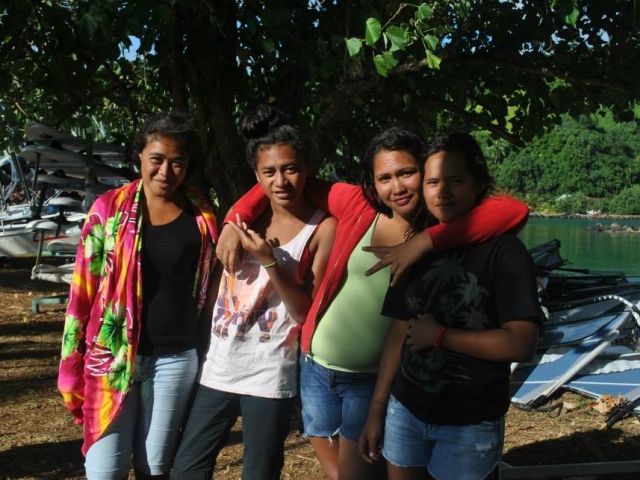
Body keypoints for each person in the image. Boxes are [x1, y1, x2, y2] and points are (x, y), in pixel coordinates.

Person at [217, 126, 530, 480]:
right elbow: (283, 182)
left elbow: (515, 210)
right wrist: (233, 219)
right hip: (315, 366)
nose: (397, 187)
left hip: (371, 380)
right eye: (384, 178)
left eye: (407, 173)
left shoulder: (444, 221)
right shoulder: (358, 205)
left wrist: (425, 240)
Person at [358, 132, 541, 480]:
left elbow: (521, 343)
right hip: (405, 411)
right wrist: (377, 410)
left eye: (455, 180)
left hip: (469, 423)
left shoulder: (505, 252)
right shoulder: (415, 247)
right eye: (432, 182)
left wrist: (440, 336)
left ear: (478, 184)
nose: (442, 191)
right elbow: (399, 330)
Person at [170, 105, 337, 480]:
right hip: (219, 365)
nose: (281, 181)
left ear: (307, 168)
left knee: (260, 472)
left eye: (290, 169)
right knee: (187, 468)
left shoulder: (322, 228)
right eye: (269, 172)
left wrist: (270, 261)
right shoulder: (240, 219)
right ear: (256, 176)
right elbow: (218, 288)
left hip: (270, 370)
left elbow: (306, 312)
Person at [57, 112, 219, 480]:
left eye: (177, 161)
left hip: (175, 358)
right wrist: (70, 361)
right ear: (140, 157)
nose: (166, 171)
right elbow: (81, 293)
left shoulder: (201, 213)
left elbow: (208, 286)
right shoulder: (108, 211)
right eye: (157, 159)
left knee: (155, 468)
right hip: (110, 357)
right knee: (105, 470)